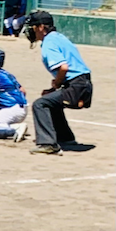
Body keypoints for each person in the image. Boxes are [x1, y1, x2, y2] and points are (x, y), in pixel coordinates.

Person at [23, 11, 94, 155]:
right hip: (83, 84)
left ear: (41, 27)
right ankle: (65, 138)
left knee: (40, 104)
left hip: (77, 86)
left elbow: (63, 67)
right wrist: (54, 88)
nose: (31, 30)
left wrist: (56, 84)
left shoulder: (49, 42)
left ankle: (47, 144)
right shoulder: (58, 37)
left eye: (33, 27)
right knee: (51, 102)